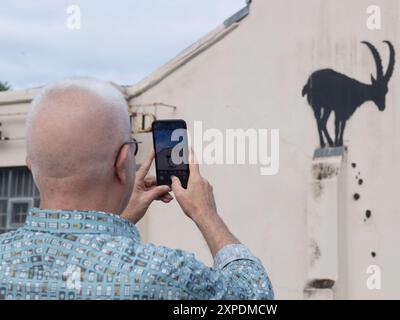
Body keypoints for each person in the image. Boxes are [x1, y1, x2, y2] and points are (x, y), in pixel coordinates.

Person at [0, 77, 273, 300]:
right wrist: (206, 214)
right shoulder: (167, 275)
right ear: (121, 164)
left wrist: (117, 221)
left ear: (30, 166)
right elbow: (253, 298)